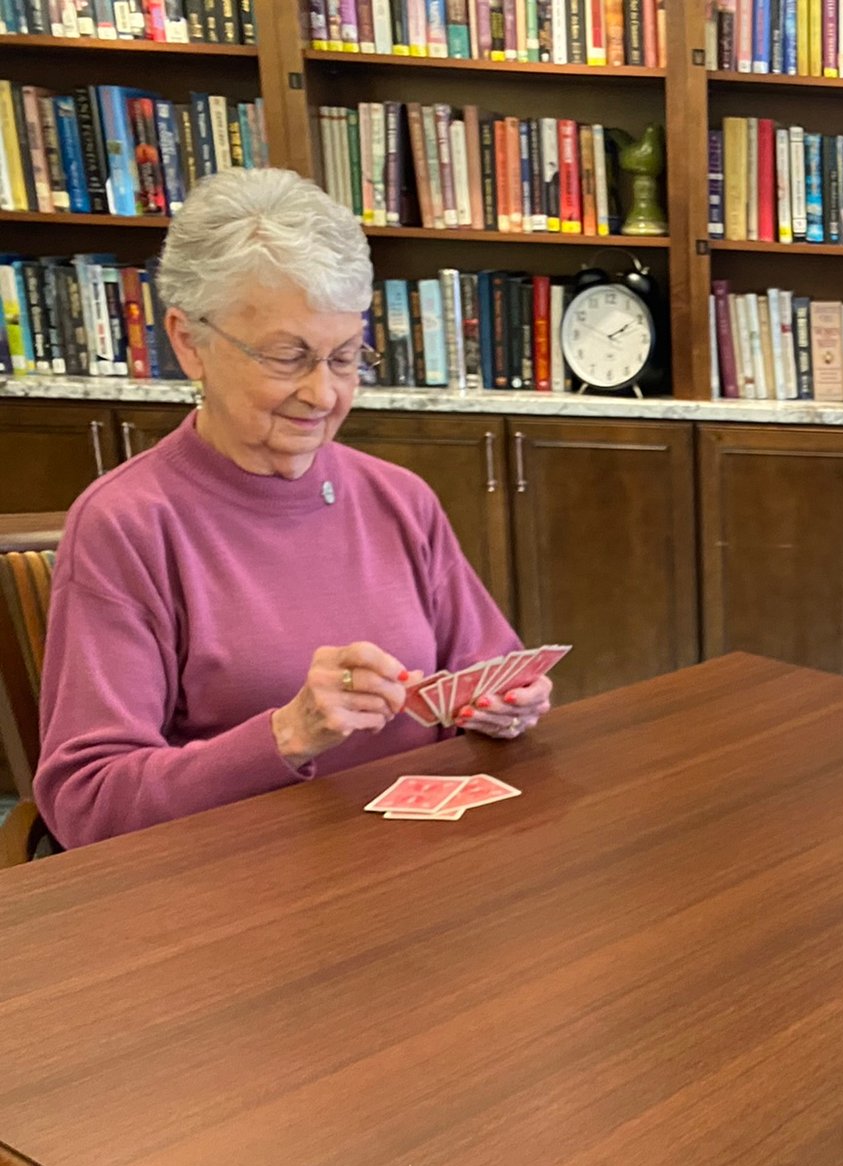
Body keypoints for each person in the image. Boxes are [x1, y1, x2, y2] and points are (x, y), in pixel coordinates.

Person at [35, 168, 551, 847]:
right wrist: (288, 734)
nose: (323, 395)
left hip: (416, 869)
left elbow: (492, 669)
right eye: (288, 357)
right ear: (190, 341)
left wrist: (509, 706)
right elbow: (87, 803)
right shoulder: (127, 524)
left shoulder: (399, 497)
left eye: (344, 358)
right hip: (241, 893)